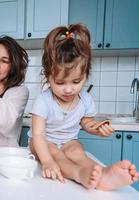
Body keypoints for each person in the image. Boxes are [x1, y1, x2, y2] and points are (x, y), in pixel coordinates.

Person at [29, 23, 139, 190]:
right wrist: (48, 162)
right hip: (44, 142)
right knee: (57, 156)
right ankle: (79, 175)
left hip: (69, 141)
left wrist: (97, 128)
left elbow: (86, 123)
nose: (68, 89)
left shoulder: (86, 100)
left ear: (85, 75)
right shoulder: (43, 101)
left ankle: (104, 175)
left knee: (78, 152)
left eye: (76, 81)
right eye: (60, 82)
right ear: (48, 76)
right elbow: (37, 135)